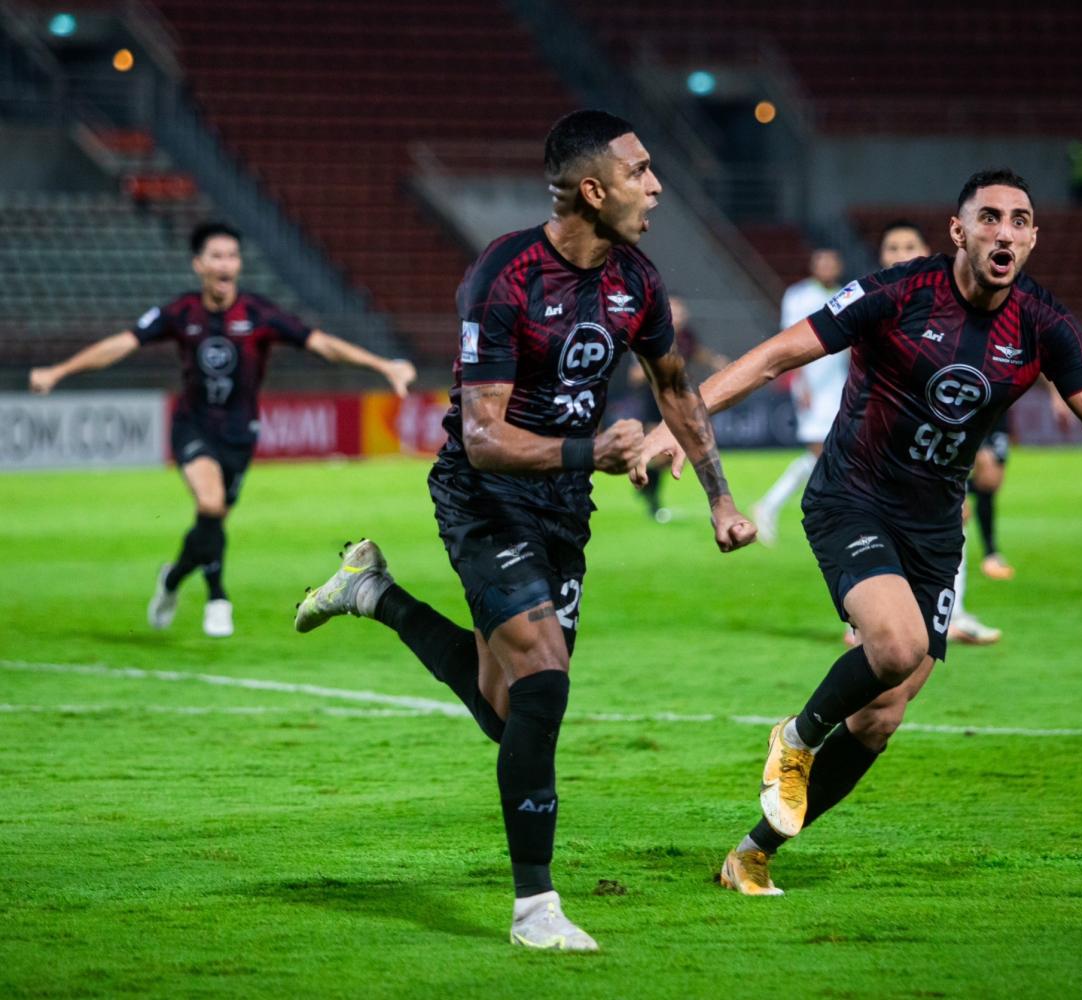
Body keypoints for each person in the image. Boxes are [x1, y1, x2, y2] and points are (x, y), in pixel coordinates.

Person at [293, 110, 755, 950]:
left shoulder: (638, 280)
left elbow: (677, 390)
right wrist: (593, 450)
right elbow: (484, 437)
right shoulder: (502, 278)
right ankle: (534, 909)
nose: (656, 186)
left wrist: (721, 498)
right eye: (640, 171)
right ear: (592, 189)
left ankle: (373, 592)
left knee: (513, 716)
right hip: (484, 497)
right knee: (544, 682)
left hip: (562, 508)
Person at [633, 168, 1082, 895]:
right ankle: (795, 737)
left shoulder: (1044, 323)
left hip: (935, 528)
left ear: (1033, 237)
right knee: (897, 645)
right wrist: (678, 424)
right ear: (959, 230)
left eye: (1020, 221)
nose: (1005, 232)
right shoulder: (900, 293)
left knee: (882, 716)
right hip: (853, 497)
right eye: (990, 218)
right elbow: (776, 355)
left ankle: (753, 852)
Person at [27, 221, 416, 638]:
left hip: (239, 436)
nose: (225, 263)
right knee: (210, 504)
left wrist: (382, 365)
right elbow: (121, 344)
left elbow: (321, 343)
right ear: (199, 264)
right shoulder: (182, 312)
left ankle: (172, 580)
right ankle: (217, 596)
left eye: (232, 255)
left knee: (209, 526)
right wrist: (59, 370)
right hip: (192, 426)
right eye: (216, 256)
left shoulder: (258, 313)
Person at [872, 220, 1000, 645]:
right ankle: (866, 622)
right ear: (881, 257)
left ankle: (951, 614)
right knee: (878, 527)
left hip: (936, 445)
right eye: (892, 246)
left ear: (927, 251)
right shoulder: (873, 304)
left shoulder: (951, 310)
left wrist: (972, 445)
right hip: (878, 443)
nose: (901, 253)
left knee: (951, 522)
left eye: (909, 245)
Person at [751, 248, 847, 544]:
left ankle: (771, 505)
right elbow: (790, 340)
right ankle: (773, 505)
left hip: (840, 384)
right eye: (822, 261)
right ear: (813, 265)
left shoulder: (847, 293)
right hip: (812, 387)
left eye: (831, 261)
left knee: (829, 453)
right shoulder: (798, 295)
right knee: (821, 452)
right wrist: (801, 383)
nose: (827, 266)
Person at [627, 295, 729, 522]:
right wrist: (659, 365)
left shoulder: (686, 336)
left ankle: (647, 484)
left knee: (664, 458)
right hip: (655, 401)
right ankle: (648, 490)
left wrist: (716, 361)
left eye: (681, 311)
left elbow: (697, 352)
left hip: (679, 401)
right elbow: (634, 377)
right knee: (660, 452)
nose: (679, 315)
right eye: (674, 310)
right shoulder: (651, 336)